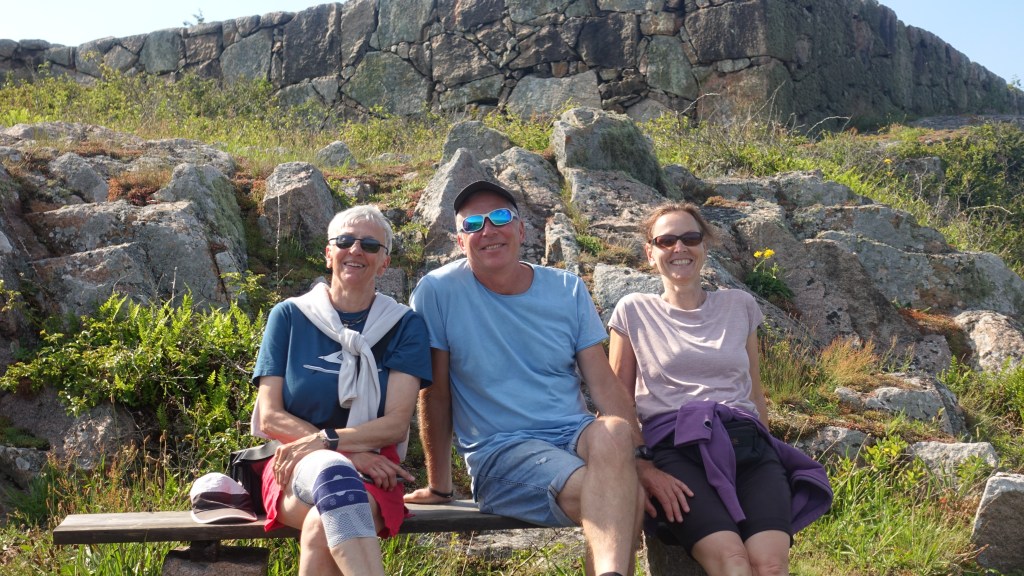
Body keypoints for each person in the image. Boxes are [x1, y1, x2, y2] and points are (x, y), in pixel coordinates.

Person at [405, 180, 646, 576]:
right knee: (621, 495)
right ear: (460, 241)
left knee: (616, 430)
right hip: (502, 450)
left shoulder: (566, 288)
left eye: (500, 217)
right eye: (473, 224)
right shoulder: (438, 292)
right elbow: (436, 392)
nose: (488, 230)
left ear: (521, 229)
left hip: (573, 434)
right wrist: (439, 485)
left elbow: (604, 384)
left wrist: (643, 463)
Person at [607, 203, 832, 576]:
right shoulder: (634, 310)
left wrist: (768, 445)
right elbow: (616, 401)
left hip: (749, 446)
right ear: (650, 253)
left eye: (690, 238)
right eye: (666, 240)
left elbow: (754, 391)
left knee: (770, 565)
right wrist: (641, 465)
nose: (679, 248)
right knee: (732, 562)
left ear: (704, 247)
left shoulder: (739, 305)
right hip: (676, 449)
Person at [250, 205, 432, 576]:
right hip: (293, 465)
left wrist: (330, 443)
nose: (356, 250)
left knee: (324, 522)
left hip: (373, 472)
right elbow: (270, 416)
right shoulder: (289, 316)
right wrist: (345, 452)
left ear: (384, 262)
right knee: (335, 472)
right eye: (345, 241)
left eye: (370, 245)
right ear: (328, 252)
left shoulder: (404, 325)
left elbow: (396, 425)